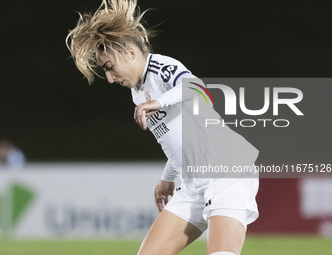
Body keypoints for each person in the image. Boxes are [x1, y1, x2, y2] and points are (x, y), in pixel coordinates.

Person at [66, 1, 259, 254]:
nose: (110, 78)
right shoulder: (137, 91)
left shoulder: (161, 68)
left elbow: (197, 88)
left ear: (130, 53)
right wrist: (167, 179)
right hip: (192, 184)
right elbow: (175, 137)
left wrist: (159, 101)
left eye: (110, 68)